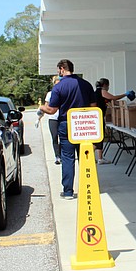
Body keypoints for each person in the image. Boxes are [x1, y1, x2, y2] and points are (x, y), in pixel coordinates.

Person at [38, 59, 96, 199]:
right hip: (84, 124)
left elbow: (51, 110)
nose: (58, 73)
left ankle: (68, 191)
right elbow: (94, 106)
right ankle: (88, 188)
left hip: (66, 124)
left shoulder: (58, 87)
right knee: (85, 156)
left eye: (58, 70)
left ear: (62, 68)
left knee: (68, 157)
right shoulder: (85, 84)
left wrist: (41, 107)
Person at [93, 78, 134, 165]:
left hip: (97, 117)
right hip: (98, 117)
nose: (108, 88)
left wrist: (125, 105)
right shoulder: (102, 91)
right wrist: (125, 94)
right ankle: (98, 158)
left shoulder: (98, 93)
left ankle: (95, 158)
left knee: (98, 138)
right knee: (99, 138)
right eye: (108, 86)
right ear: (105, 85)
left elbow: (112, 102)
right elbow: (113, 97)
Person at [38, 76, 62, 165]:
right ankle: (57, 156)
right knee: (55, 136)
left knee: (63, 137)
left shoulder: (64, 93)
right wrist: (39, 117)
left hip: (62, 117)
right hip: (53, 118)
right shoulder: (50, 94)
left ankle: (62, 155)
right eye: (56, 84)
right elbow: (46, 107)